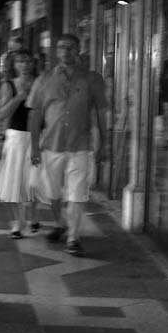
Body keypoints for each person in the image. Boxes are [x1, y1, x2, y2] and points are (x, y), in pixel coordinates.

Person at [28, 33, 108, 258]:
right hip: (51, 145)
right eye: (62, 47)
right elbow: (35, 115)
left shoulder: (92, 79)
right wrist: (34, 146)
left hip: (80, 145)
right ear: (56, 51)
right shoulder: (43, 80)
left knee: (77, 193)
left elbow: (101, 112)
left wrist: (104, 143)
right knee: (53, 191)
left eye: (71, 47)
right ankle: (60, 223)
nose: (66, 51)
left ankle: (74, 238)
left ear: (78, 50)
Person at [0, 49, 40, 238]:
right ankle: (17, 224)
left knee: (35, 181)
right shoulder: (8, 85)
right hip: (17, 137)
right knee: (14, 181)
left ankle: (33, 215)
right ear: (14, 65)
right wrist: (20, 97)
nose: (25, 65)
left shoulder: (40, 82)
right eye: (20, 61)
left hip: (38, 136)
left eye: (28, 61)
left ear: (33, 63)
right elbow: (1, 114)